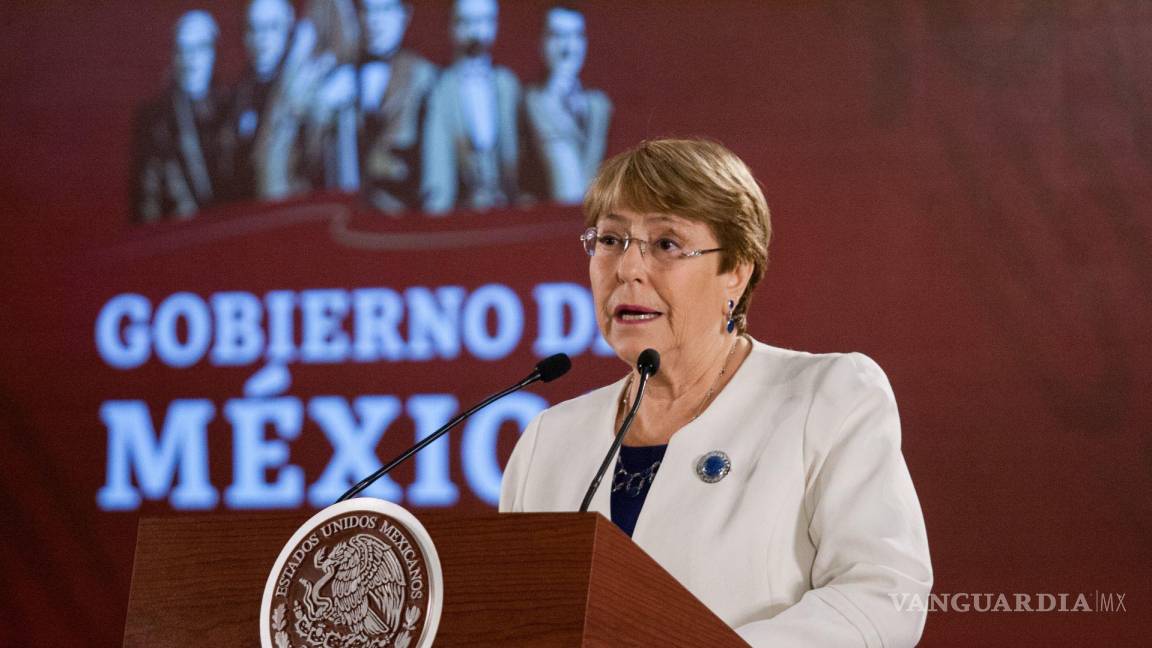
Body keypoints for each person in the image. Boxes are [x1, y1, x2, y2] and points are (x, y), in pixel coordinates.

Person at [500, 139, 932, 646]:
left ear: (736, 269)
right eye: (611, 240)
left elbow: (883, 594)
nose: (627, 269)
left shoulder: (825, 397)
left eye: (665, 244)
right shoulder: (548, 441)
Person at [421, 0, 521, 214]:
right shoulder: (441, 91)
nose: (476, 32)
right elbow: (437, 170)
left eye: (484, 21)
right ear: (452, 27)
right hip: (463, 213)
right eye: (466, 22)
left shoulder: (507, 85)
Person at [132, 10, 223, 221]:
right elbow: (147, 198)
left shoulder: (231, 105)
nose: (190, 60)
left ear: (214, 52)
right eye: (183, 50)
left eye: (200, 48)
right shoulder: (155, 121)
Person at [520, 4, 612, 205]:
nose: (568, 48)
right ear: (541, 42)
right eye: (557, 36)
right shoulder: (529, 100)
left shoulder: (598, 104)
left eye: (576, 36)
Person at [218, 0, 296, 202]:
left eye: (272, 28)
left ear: (288, 29)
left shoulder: (303, 93)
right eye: (254, 29)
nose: (262, 39)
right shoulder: (235, 97)